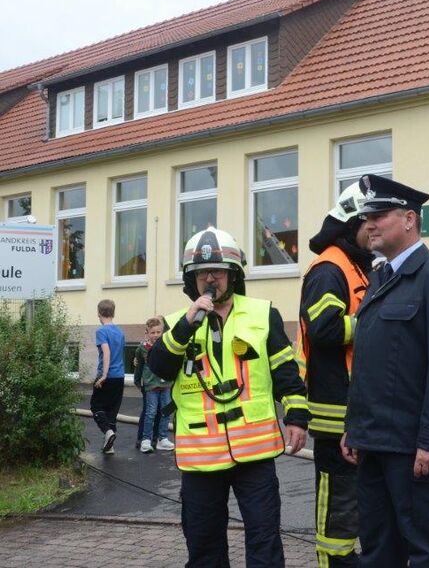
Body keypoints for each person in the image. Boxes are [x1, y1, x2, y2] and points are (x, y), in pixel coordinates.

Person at [148, 227, 310, 568]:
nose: (211, 278)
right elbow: (160, 368)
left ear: (232, 274)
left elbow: (285, 372)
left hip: (255, 452)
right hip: (201, 457)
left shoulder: (262, 313)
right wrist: (186, 326)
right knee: (204, 546)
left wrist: (296, 416)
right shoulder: (178, 322)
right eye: (202, 273)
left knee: (265, 541)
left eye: (218, 271)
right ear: (191, 280)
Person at [342, 174, 429, 568]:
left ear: (409, 219)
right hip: (373, 442)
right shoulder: (380, 278)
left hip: (413, 448)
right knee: (379, 549)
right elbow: (369, 363)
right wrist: (355, 426)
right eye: (367, 216)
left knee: (427, 552)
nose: (369, 223)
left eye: (379, 214)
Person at [298, 182, 372, 567]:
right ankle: (334, 561)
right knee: (337, 499)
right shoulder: (330, 268)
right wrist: (373, 323)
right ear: (351, 225)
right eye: (369, 222)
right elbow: (323, 328)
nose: (374, 229)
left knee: (353, 497)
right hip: (333, 412)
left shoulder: (355, 264)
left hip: (353, 406)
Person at [90, 299, 125, 455]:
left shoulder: (101, 331)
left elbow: (106, 352)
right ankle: (109, 447)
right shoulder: (120, 332)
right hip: (120, 376)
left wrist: (103, 375)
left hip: (107, 375)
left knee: (96, 406)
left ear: (99, 313)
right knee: (112, 411)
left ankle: (108, 432)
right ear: (114, 312)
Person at [134, 316, 174, 453]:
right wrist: (137, 381)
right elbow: (139, 366)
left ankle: (162, 439)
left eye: (158, 332)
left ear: (162, 332)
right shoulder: (142, 348)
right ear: (147, 333)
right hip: (151, 385)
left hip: (166, 385)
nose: (156, 335)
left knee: (166, 412)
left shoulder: (167, 345)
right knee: (150, 413)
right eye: (153, 332)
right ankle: (146, 440)